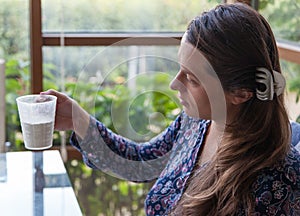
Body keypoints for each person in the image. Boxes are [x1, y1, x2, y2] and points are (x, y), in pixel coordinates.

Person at [42, 3, 300, 216]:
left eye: (192, 78)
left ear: (240, 93)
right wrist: (78, 120)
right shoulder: (196, 124)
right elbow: (142, 163)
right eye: (180, 68)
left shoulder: (276, 184)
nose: (174, 83)